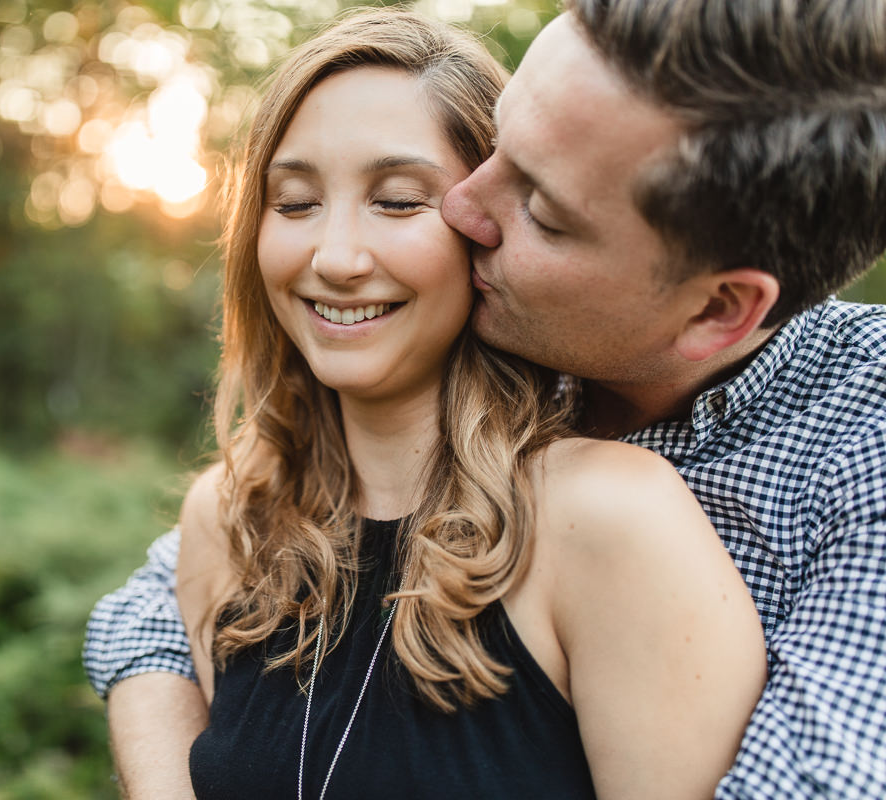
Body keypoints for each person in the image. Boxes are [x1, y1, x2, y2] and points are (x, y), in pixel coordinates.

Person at [85, 0, 886, 797]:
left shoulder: (838, 445)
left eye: (540, 208)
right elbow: (159, 601)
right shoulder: (281, 490)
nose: (465, 208)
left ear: (715, 310)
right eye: (495, 146)